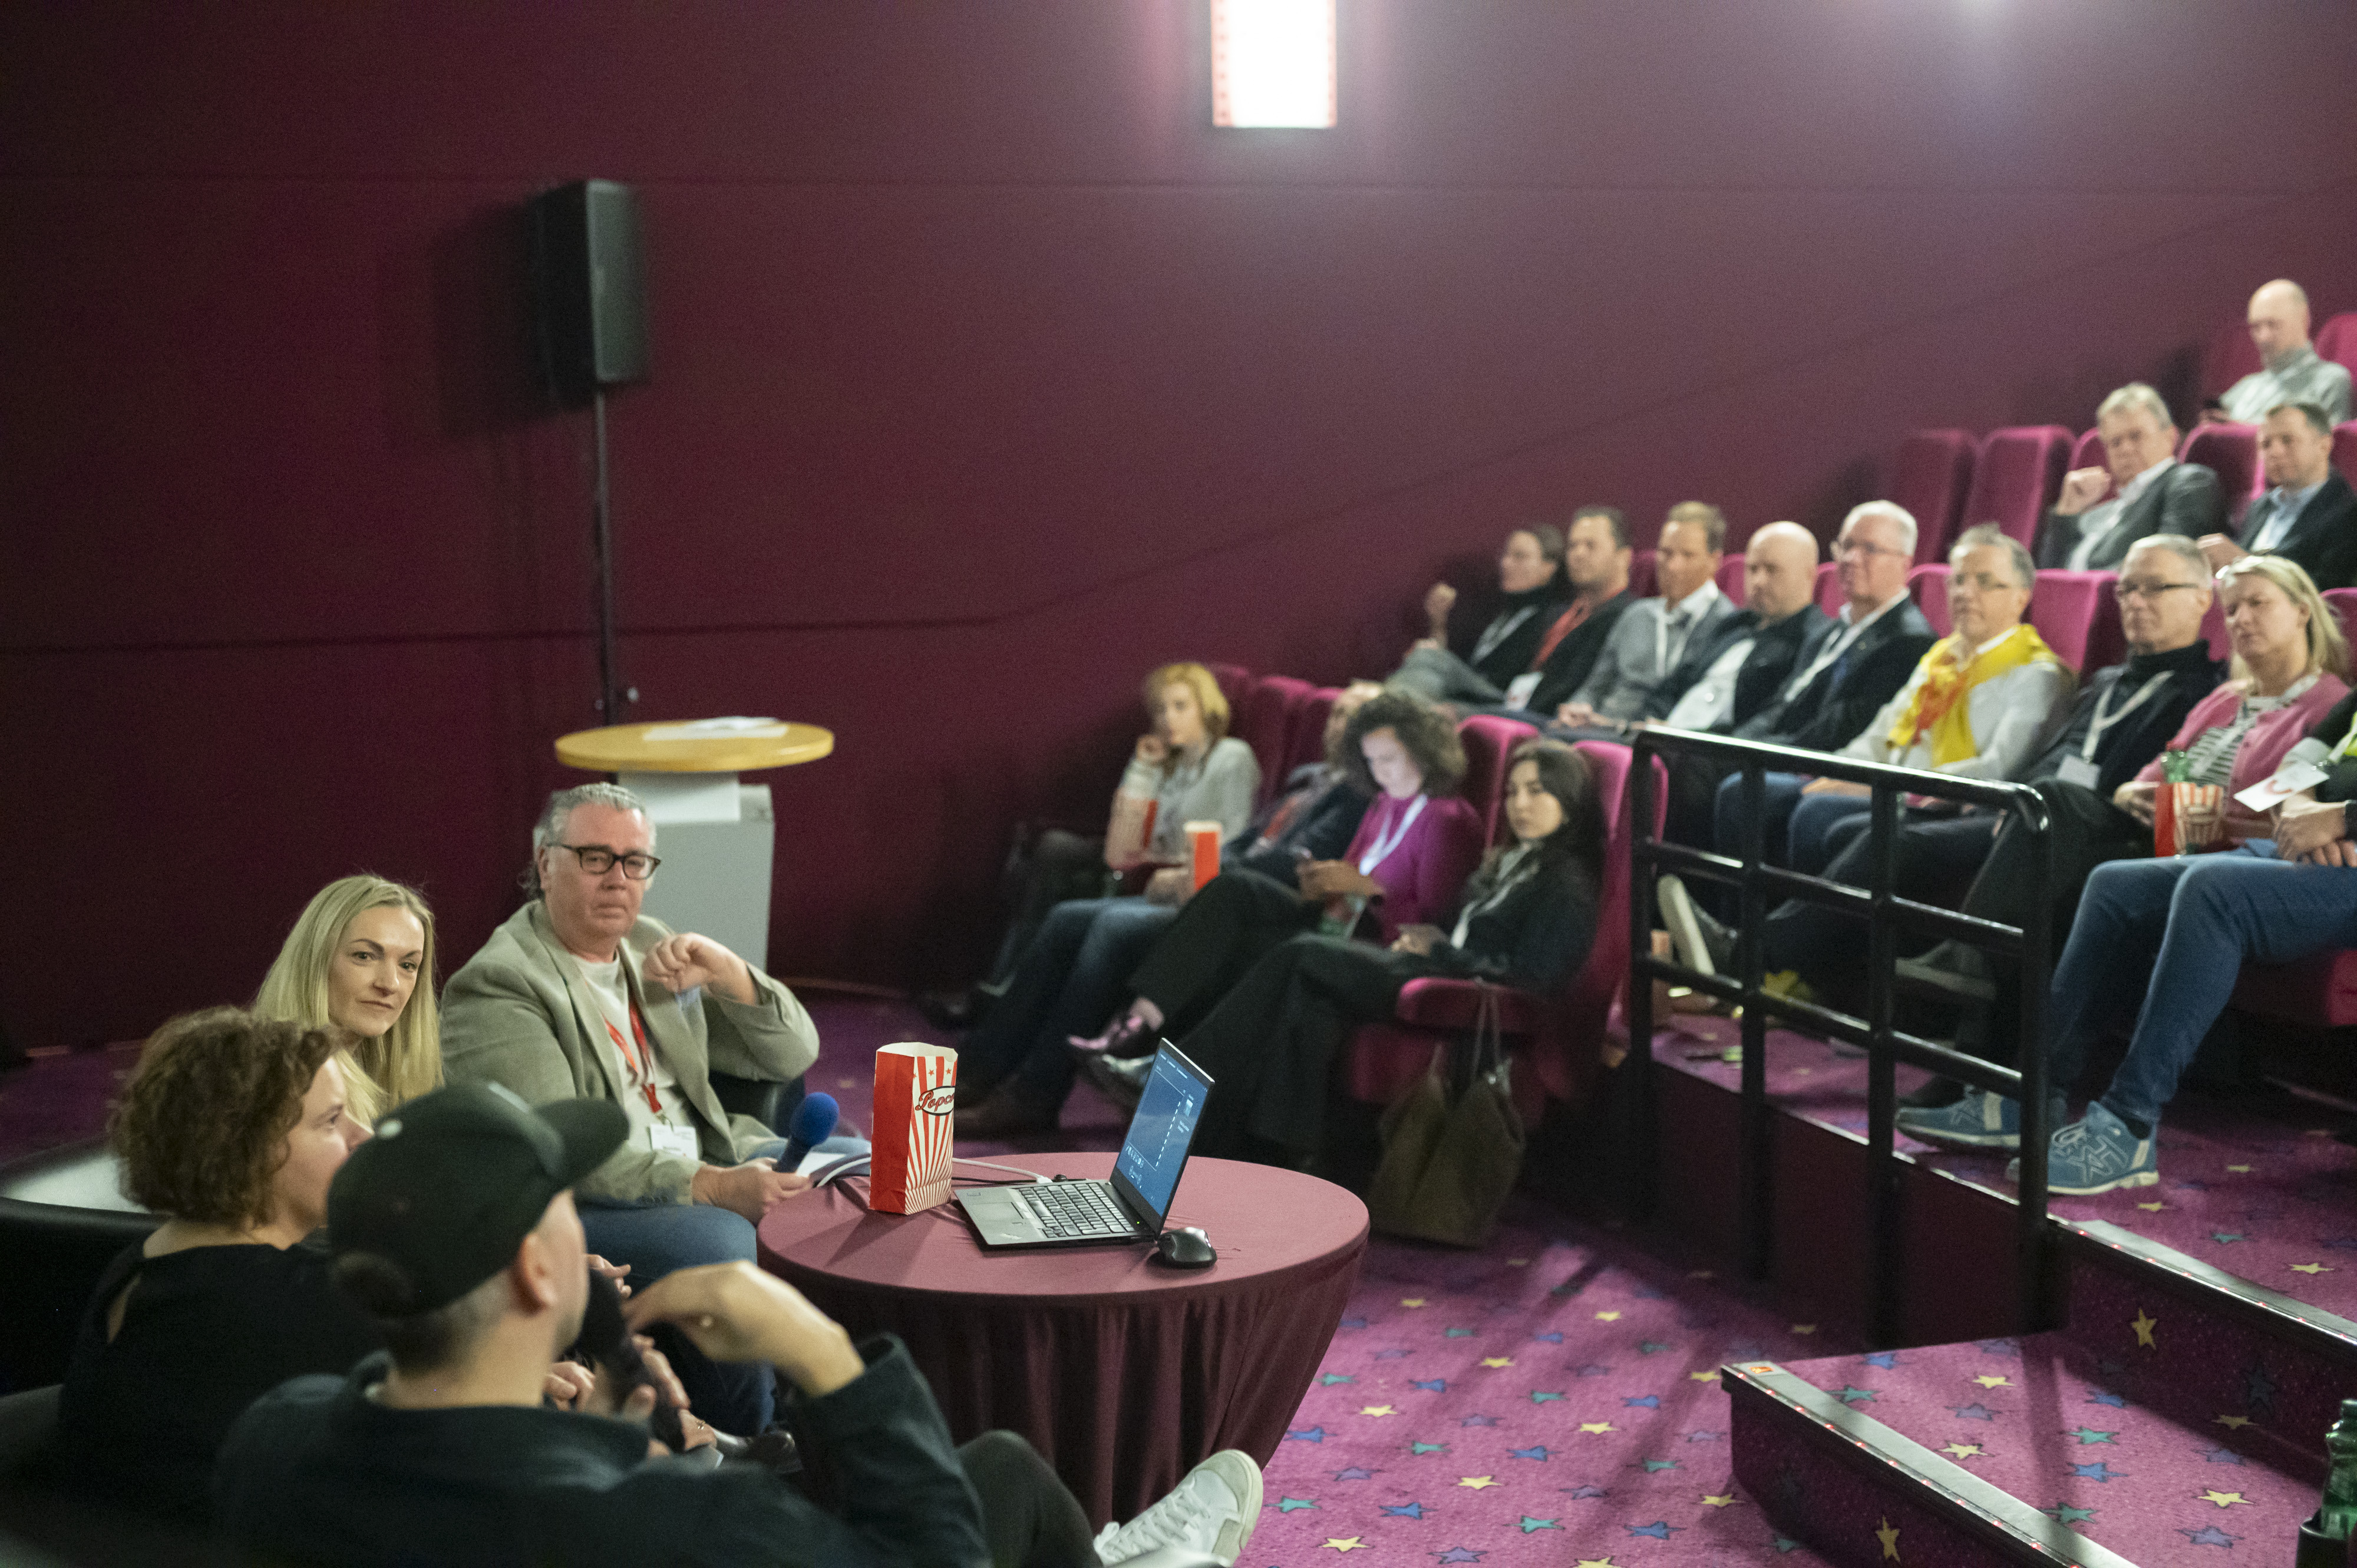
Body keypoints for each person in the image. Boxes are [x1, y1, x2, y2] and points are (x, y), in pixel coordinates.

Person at [214, 1083, 1267, 1567]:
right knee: (988, 1484)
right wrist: (821, 1351)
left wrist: (608, 1439)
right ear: (537, 1269)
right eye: (564, 1203)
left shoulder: (273, 1439)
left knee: (1000, 1467)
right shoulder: (677, 1525)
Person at [51, 1009, 659, 1520]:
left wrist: (491, 1380)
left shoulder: (145, 1265)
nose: (363, 1135)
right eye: (331, 1121)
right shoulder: (305, 1301)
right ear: (247, 1149)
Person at [440, 781, 856, 1435]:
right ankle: (759, 1440)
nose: (618, 878)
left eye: (635, 861)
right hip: (597, 1202)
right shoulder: (501, 984)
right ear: (546, 863)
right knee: (723, 1242)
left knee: (864, 1173)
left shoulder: (650, 945)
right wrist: (711, 1186)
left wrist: (732, 976)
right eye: (595, 858)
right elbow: (560, 1148)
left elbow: (793, 1053)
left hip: (712, 1150)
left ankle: (846, 1397)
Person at [1897, 553, 2346, 1146]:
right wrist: (2143, 792)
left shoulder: (2327, 701)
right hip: (2167, 834)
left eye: (2256, 604)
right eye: (2232, 608)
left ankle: (1975, 973)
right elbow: (2173, 772)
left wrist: (2229, 812)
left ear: (2304, 612)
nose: (2240, 619)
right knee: (2067, 839)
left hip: (2222, 846)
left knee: (2059, 820)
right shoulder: (2233, 699)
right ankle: (2018, 1089)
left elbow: (2275, 808)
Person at [1874, 686, 2357, 1196]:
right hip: (2300, 850)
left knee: (2211, 892)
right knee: (2115, 883)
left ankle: (2129, 1124)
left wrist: (2342, 817)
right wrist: (2301, 809)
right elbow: (2297, 766)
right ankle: (2030, 1097)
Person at [1089, 741, 1604, 1171]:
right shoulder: (1509, 861)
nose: (1520, 804)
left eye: (1537, 791)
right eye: (1513, 791)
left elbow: (1536, 980)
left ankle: (1171, 1077)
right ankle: (1268, 1157)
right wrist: (1427, 939)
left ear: (1569, 797)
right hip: (1428, 964)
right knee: (1305, 1001)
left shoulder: (1567, 883)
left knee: (1302, 953)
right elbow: (1456, 928)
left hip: (1450, 986)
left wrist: (1440, 950)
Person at [949, 682, 1379, 1137]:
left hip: (1244, 915)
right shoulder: (1311, 780)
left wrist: (1206, 874)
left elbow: (1294, 865)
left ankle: (1034, 1092)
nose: (1340, 726)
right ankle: (978, 1069)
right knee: (1067, 918)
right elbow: (1247, 843)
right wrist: (1194, 870)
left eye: (1354, 718)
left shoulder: (1359, 793)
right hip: (1216, 890)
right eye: (1337, 714)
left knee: (1111, 927)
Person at [1051, 691, 1487, 1097]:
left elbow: (1431, 918)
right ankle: (1138, 1025)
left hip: (1378, 944)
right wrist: (1323, 879)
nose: (1380, 772)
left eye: (1389, 759)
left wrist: (1368, 889)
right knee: (1232, 899)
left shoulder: (1448, 818)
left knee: (1247, 948)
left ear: (1423, 751)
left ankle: (1158, 1074)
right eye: (1371, 761)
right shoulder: (1384, 803)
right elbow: (1350, 869)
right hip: (1336, 918)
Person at [960, 662, 1263, 1016]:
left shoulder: (1232, 757)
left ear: (1207, 709)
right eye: (1160, 710)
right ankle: (1004, 983)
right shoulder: (1165, 759)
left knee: (1062, 876)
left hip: (1178, 873)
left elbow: (1233, 841)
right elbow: (1122, 846)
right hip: (1139, 859)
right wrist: (1143, 769)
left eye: (1181, 707)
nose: (1168, 719)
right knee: (1052, 849)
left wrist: (1172, 867)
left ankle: (1009, 990)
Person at [1778, 524, 2075, 880]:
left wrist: (1882, 786)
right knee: (1792, 798)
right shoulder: (1940, 658)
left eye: (1985, 582)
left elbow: (1998, 768)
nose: (1965, 593)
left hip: (1939, 804)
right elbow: (1883, 733)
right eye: (1958, 580)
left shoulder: (2037, 673)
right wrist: (1841, 772)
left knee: (1817, 816)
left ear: (2020, 598)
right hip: (1894, 786)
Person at [1706, 501, 1939, 862]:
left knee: (1726, 781)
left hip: (1822, 761)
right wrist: (1740, 740)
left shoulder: (1909, 641)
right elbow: (1783, 703)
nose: (1851, 559)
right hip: (1783, 747)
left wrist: (1754, 749)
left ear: (1905, 564)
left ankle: (1712, 894)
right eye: (1846, 546)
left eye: (1870, 549)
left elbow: (1840, 727)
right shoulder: (1831, 630)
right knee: (1686, 754)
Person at [252, 874, 443, 1132]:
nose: (390, 984)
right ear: (315, 961)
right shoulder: (274, 1085)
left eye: (408, 965)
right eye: (364, 956)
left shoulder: (402, 1089)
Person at [1553, 503, 1739, 727]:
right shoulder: (1637, 614)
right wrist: (1577, 709)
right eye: (1666, 553)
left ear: (1714, 561)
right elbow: (1595, 687)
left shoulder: (1727, 624)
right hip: (1598, 726)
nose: (1673, 566)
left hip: (1653, 735)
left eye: (1688, 555)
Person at [1464, 506, 1640, 718]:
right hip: (1517, 705)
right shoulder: (1561, 614)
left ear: (1624, 557)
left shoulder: (1630, 618)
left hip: (1556, 719)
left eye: (1590, 546)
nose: (1578, 554)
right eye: (1573, 546)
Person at [2033, 382, 2226, 571]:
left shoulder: (2189, 482)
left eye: (2136, 436)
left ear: (2170, 437)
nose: (2125, 449)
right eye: (2115, 442)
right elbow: (2047, 576)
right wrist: (2068, 510)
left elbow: (2166, 567)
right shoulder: (2100, 513)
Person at [1388, 524, 1570, 704]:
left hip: (1503, 699)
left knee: (1426, 658)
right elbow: (1453, 665)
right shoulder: (1496, 609)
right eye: (1505, 555)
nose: (1506, 563)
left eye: (1519, 556)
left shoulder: (1553, 618)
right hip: (1470, 689)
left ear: (1549, 567)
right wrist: (1438, 623)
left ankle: (1387, 705)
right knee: (1423, 656)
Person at [2197, 402, 2357, 589]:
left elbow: (2330, 589)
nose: (2274, 452)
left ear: (2324, 445)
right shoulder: (2261, 506)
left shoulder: (2349, 513)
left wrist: (2245, 562)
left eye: (2288, 441)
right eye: (2266, 444)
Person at [2206, 279, 2355, 427]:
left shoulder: (2329, 382)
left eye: (2273, 324)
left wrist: (2238, 429)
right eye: (2256, 327)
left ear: (2303, 320)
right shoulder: (2246, 387)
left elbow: (2329, 440)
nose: (2263, 337)